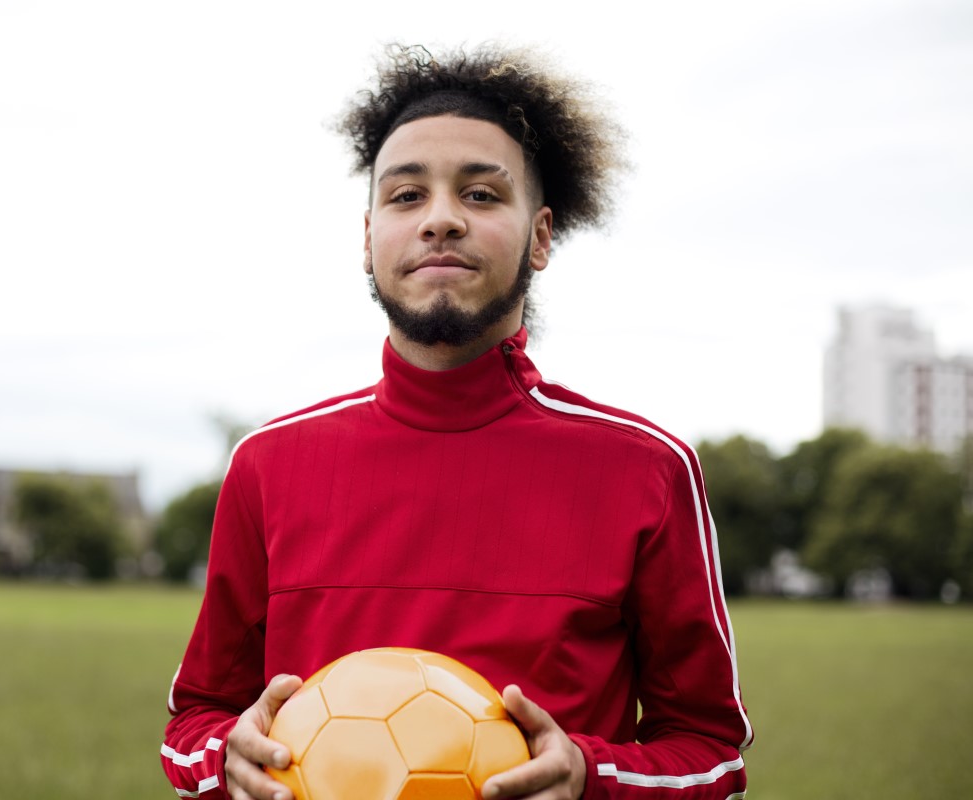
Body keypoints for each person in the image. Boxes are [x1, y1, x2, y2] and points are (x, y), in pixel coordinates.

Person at [160, 44, 752, 800]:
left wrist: (590, 775)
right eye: (406, 196)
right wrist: (224, 760)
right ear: (367, 238)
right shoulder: (268, 464)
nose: (441, 219)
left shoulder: (648, 467)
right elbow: (194, 722)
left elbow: (713, 753)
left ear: (540, 237)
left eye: (479, 195)